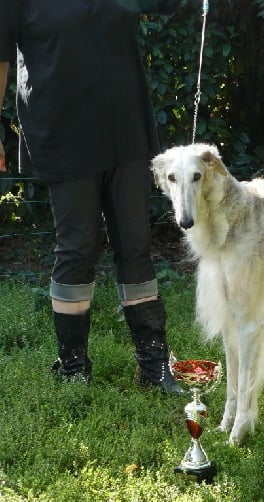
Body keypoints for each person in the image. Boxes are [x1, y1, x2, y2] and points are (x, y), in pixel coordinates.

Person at [0, 0, 186, 394]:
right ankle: (73, 368)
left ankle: (154, 368)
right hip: (61, 133)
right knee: (78, 247)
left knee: (135, 244)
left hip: (126, 129)